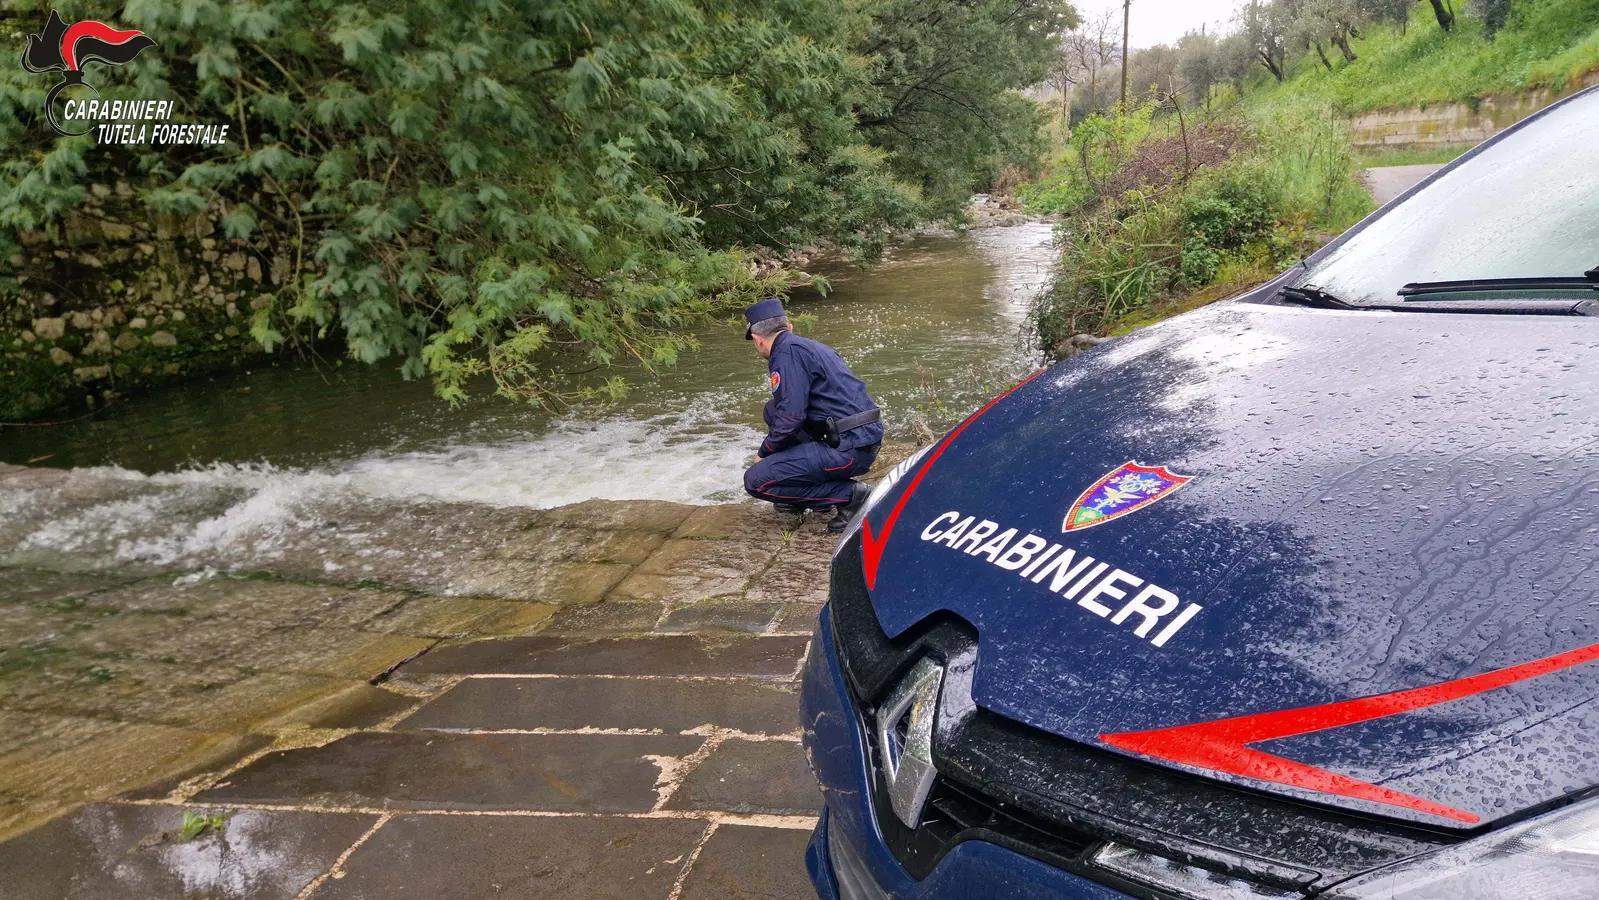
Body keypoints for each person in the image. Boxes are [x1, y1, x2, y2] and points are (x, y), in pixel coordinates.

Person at [741, 298, 883, 533]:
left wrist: (763, 454)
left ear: (758, 340)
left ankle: (851, 496)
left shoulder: (784, 356)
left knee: (756, 481)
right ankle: (805, 495)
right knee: (772, 410)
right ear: (789, 327)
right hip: (861, 438)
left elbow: (791, 417)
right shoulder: (808, 347)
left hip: (848, 448)